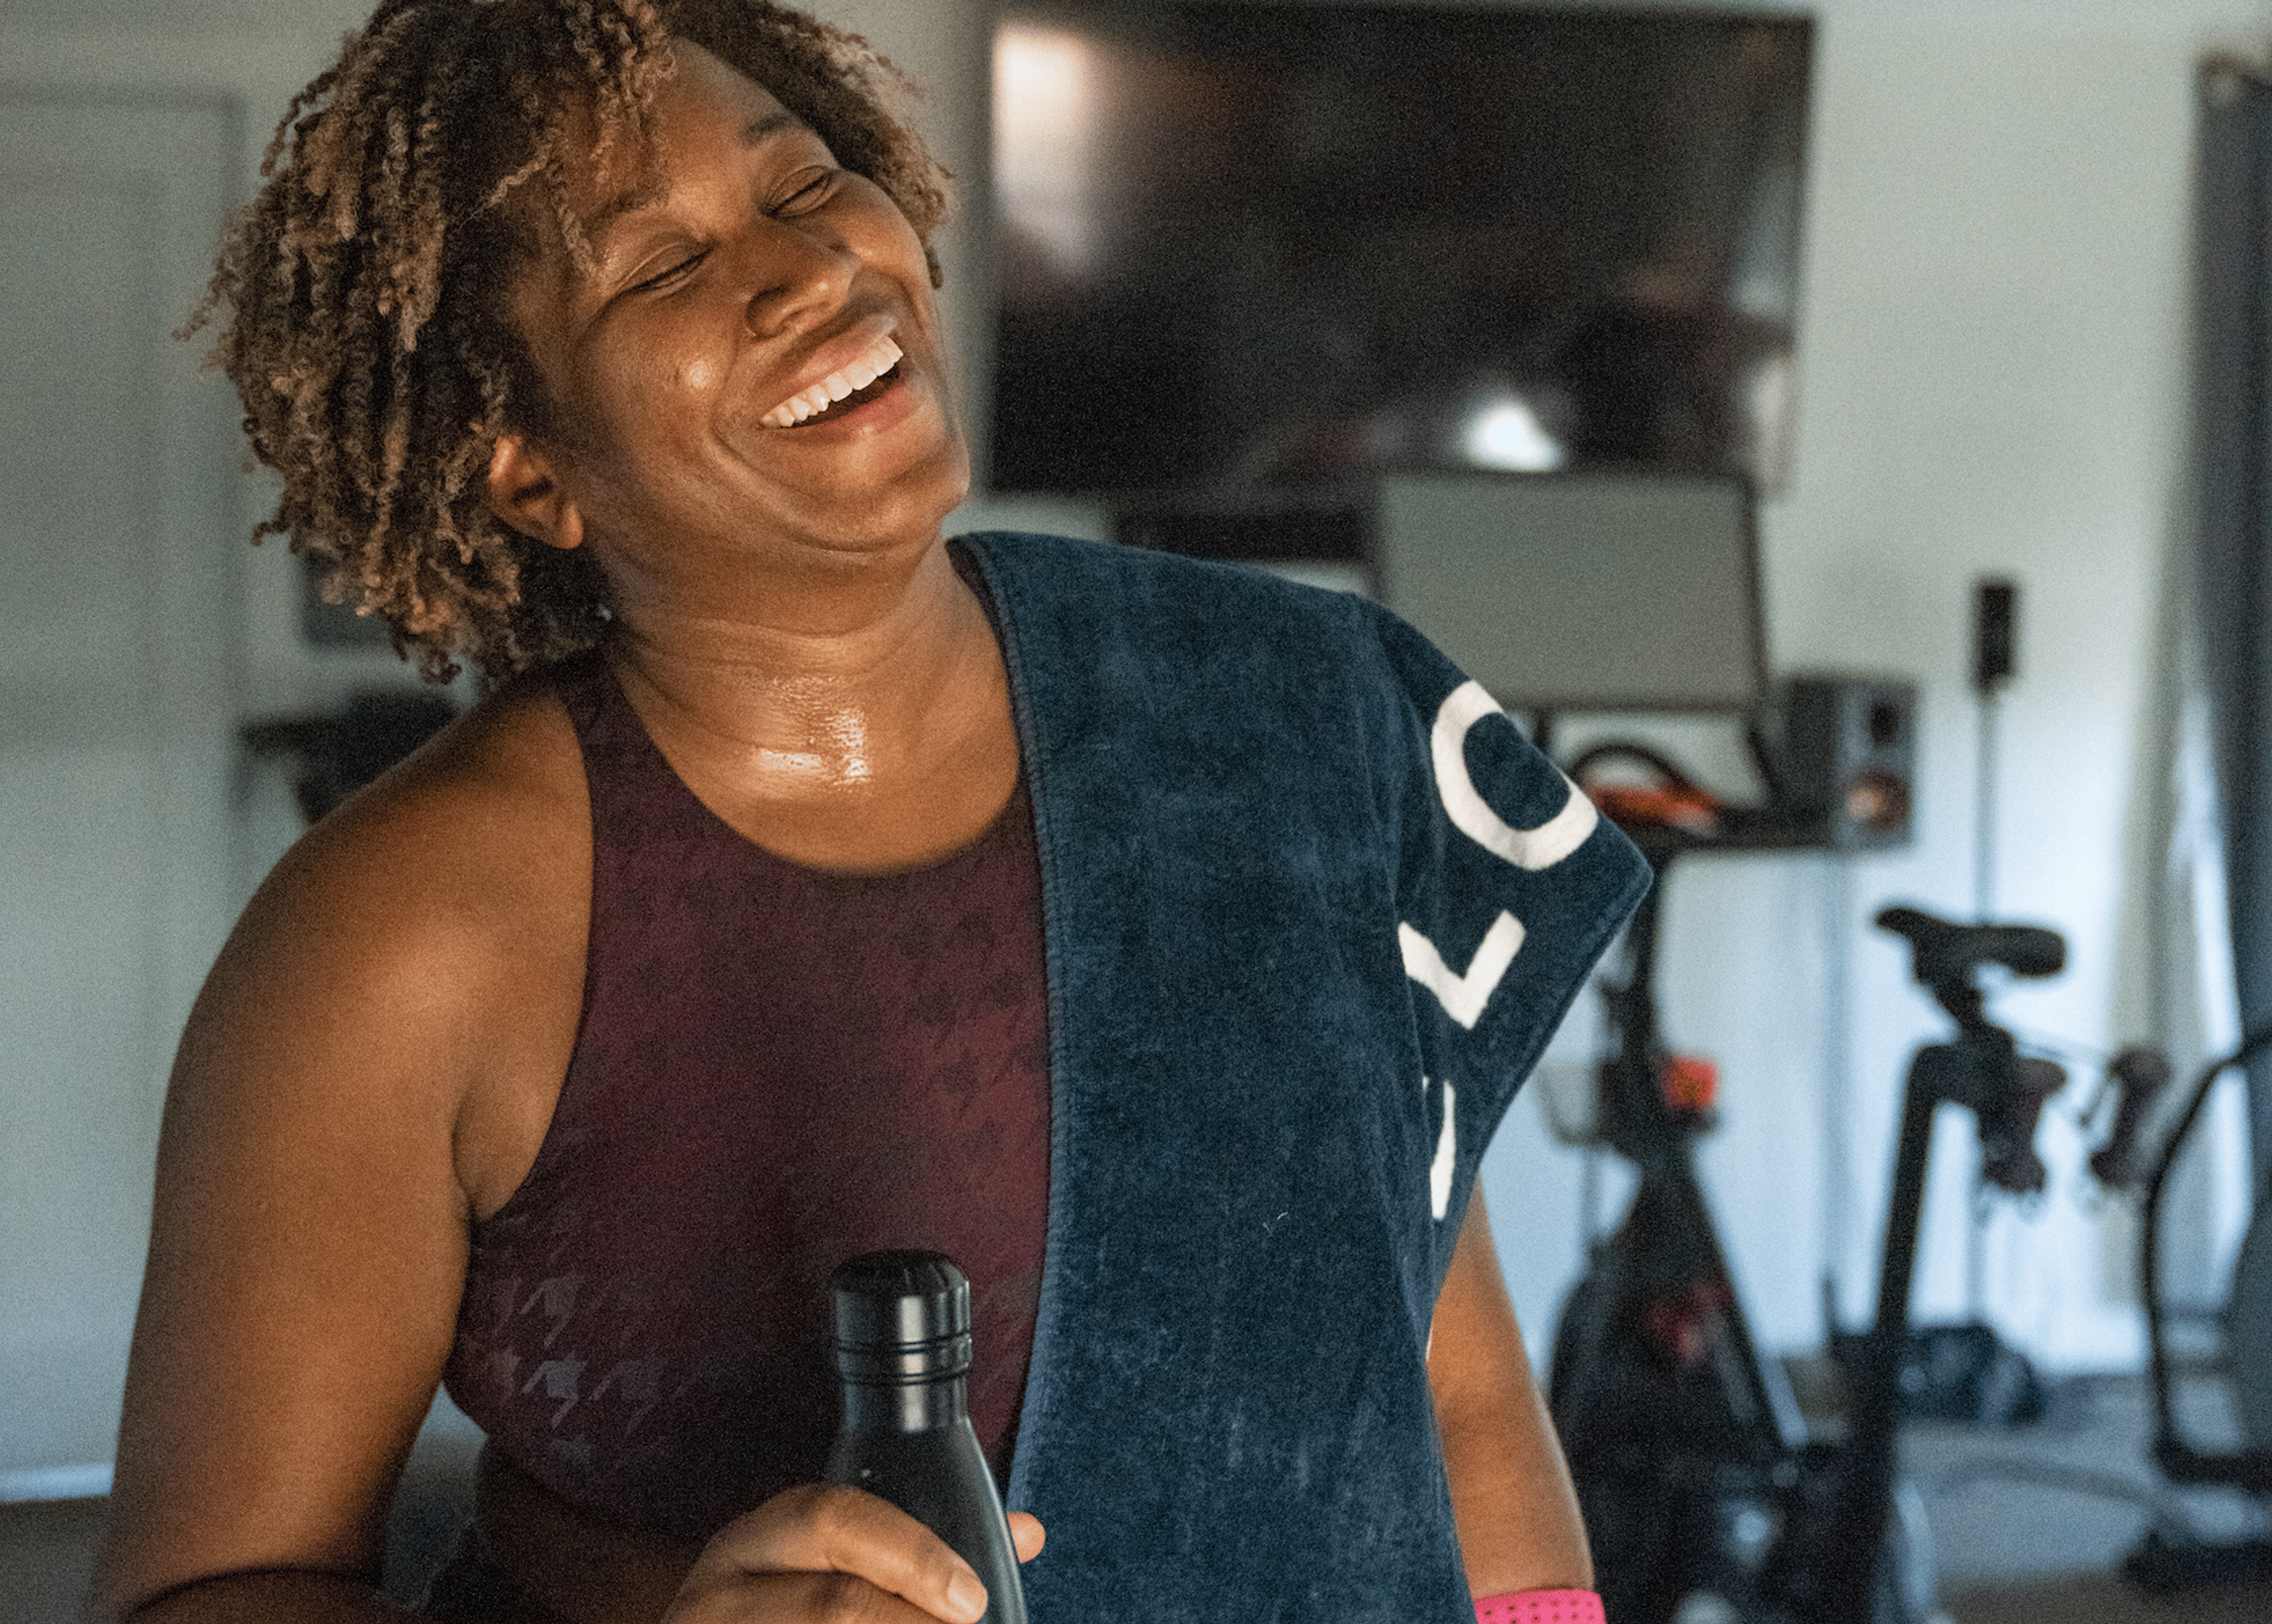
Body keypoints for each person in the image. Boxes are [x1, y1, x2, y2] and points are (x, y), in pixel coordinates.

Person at [91, 3, 1648, 1621]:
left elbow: (1452, 1403)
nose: (805, 272)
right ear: (526, 467)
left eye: (807, 180)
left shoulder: (1291, 714)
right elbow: (211, 1582)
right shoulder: (405, 932)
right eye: (655, 267)